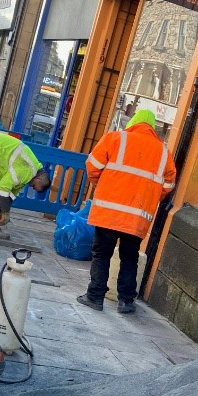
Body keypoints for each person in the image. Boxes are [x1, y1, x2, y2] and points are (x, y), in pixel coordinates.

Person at [77, 107, 176, 314]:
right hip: (137, 217)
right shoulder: (163, 152)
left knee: (102, 254)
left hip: (109, 212)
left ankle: (95, 296)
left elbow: (93, 166)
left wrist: (102, 184)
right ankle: (126, 301)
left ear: (133, 123)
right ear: (153, 128)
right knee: (129, 257)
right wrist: (150, 195)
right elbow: (168, 185)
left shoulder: (116, 138)